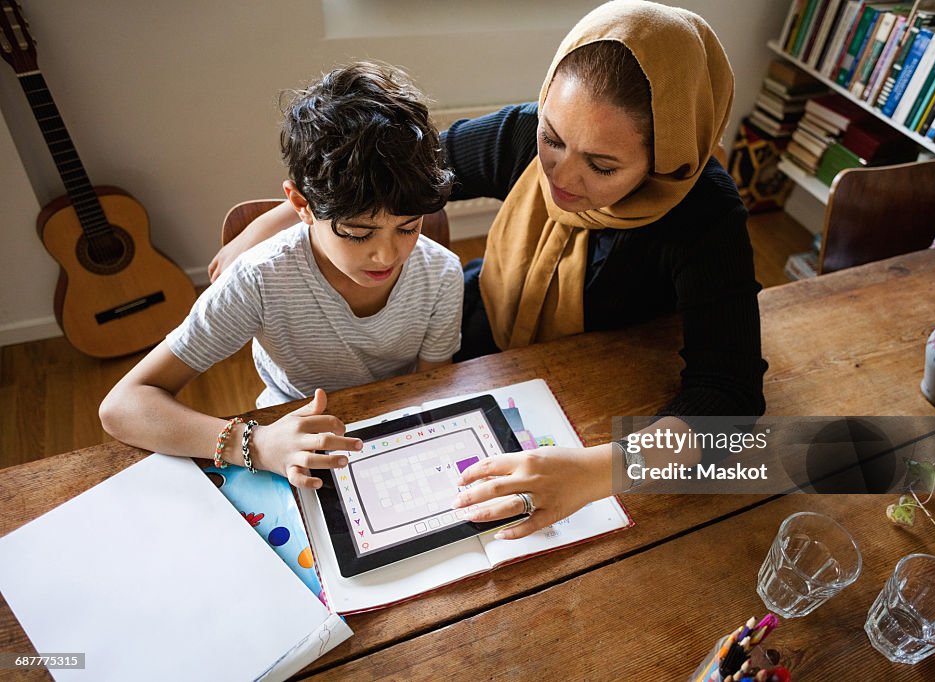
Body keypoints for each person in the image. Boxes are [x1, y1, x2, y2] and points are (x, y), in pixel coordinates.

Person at [207, 1, 767, 535]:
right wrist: (276, 220)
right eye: (554, 139)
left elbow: (731, 395)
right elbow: (395, 172)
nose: (562, 178)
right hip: (480, 339)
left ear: (668, 157)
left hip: (606, 390)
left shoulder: (705, 215)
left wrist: (601, 471)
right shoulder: (522, 134)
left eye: (602, 165)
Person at [100, 62, 464, 488]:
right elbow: (122, 406)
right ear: (301, 203)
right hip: (285, 438)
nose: (388, 254)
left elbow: (431, 386)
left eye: (408, 227)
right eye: (357, 232)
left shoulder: (440, 273)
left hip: (389, 439)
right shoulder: (260, 280)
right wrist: (253, 444)